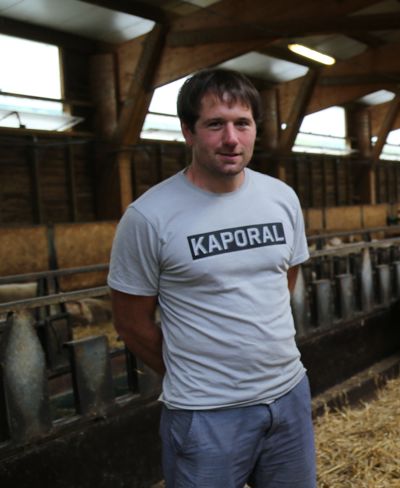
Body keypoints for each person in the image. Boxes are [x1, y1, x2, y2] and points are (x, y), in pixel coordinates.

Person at [108, 68, 314, 488]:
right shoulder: (149, 217)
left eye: (243, 123)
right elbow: (130, 321)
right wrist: (193, 371)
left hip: (288, 396)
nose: (231, 139)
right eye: (215, 124)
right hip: (205, 414)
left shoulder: (281, 199)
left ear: (256, 128)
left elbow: (283, 280)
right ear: (188, 132)